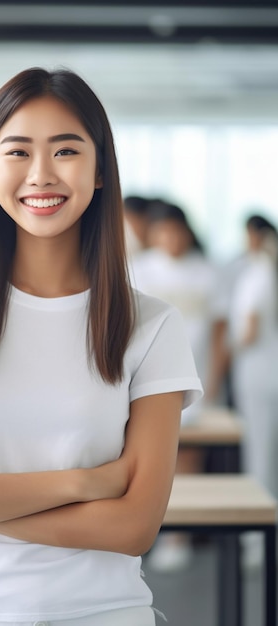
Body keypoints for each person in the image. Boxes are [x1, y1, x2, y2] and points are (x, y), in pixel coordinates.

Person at [0, 68, 202, 626]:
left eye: (67, 150)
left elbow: (133, 528)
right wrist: (81, 485)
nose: (42, 175)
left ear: (100, 171)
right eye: (18, 151)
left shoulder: (151, 323)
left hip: (108, 612)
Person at [129, 201, 219, 572]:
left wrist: (215, 378)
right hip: (147, 376)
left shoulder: (205, 272)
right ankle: (143, 530)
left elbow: (220, 330)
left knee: (188, 455)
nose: (170, 238)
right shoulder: (139, 268)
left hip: (197, 372)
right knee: (146, 453)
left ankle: (176, 537)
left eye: (176, 230)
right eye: (162, 231)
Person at [228, 214, 278, 568]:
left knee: (259, 457)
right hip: (268, 373)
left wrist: (224, 350)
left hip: (258, 375)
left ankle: (258, 546)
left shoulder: (258, 272)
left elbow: (248, 329)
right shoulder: (268, 270)